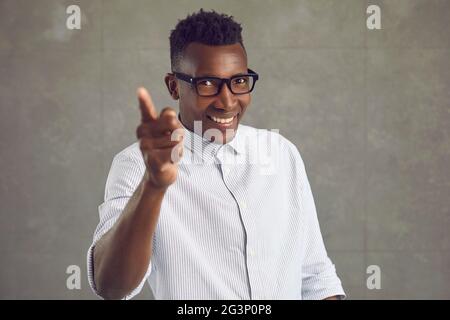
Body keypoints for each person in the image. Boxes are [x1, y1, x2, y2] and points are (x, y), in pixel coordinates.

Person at [87, 9, 345, 300]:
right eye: (207, 83)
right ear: (174, 86)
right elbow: (111, 285)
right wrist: (154, 185)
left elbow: (314, 274)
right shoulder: (137, 165)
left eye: (239, 81)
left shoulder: (281, 153)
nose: (227, 101)